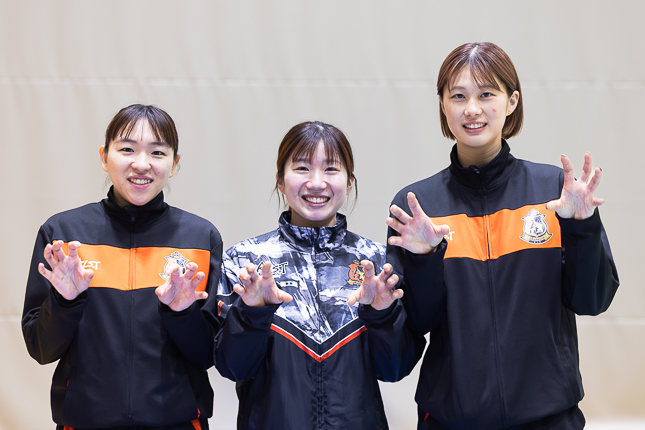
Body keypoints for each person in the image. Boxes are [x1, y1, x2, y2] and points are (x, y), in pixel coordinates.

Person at [386, 42, 619, 430]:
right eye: (458, 96)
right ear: (442, 104)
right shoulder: (418, 208)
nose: (472, 109)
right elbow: (417, 325)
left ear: (511, 102)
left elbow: (591, 301)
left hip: (549, 418)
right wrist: (424, 258)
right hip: (450, 420)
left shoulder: (555, 192)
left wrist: (582, 227)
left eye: (486, 95)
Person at [22, 104, 223, 430]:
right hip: (84, 422)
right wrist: (65, 302)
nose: (141, 164)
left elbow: (207, 355)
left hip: (178, 422)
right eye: (127, 149)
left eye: (157, 152)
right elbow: (41, 348)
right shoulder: (63, 235)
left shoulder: (200, 238)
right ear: (104, 157)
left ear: (174, 164)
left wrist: (181, 313)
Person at [214, 121, 424, 430]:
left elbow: (394, 369)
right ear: (280, 180)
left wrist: (382, 314)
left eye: (331, 169)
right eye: (301, 168)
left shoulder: (378, 264)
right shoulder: (245, 261)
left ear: (349, 182)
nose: (316, 182)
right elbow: (234, 368)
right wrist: (252, 312)